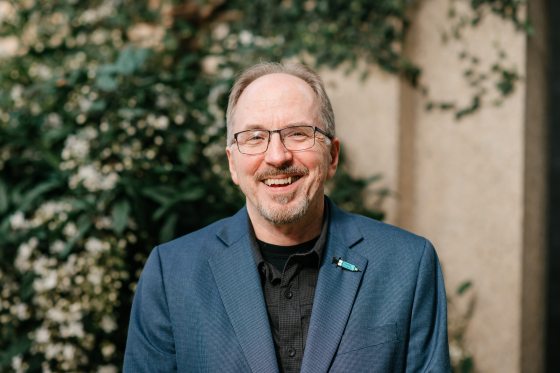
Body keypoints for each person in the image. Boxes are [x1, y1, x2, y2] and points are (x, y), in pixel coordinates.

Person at [123, 62, 451, 372]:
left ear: (333, 155)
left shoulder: (407, 264)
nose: (277, 156)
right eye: (254, 137)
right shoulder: (171, 274)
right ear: (232, 164)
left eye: (298, 133)